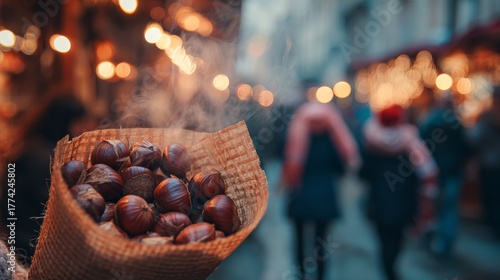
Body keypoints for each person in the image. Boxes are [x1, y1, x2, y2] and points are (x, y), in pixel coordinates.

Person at [1, 94, 90, 265]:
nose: (82, 129)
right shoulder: (43, 158)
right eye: (78, 123)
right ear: (63, 122)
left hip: (19, 238)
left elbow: (8, 206)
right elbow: (49, 206)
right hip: (33, 246)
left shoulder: (29, 147)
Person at [281, 101, 359, 280]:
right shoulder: (332, 136)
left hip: (299, 193)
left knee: (299, 239)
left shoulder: (294, 132)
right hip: (325, 196)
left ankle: (300, 274)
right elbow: (341, 167)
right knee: (321, 242)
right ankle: (321, 276)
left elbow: (283, 156)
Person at [360, 104, 438, 280]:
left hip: (378, 201)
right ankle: (392, 270)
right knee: (397, 240)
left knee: (384, 241)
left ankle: (388, 271)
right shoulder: (411, 143)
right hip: (404, 201)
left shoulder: (371, 142)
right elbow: (427, 171)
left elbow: (363, 173)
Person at [418, 89, 470, 258]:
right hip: (452, 173)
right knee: (449, 209)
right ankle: (445, 242)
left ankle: (431, 236)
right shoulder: (457, 123)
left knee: (432, 206)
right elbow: (466, 148)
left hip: (434, 173)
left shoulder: (429, 122)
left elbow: (422, 146)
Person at [468, 85, 500, 238]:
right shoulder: (489, 116)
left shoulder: (488, 116)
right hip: (491, 163)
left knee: (491, 197)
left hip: (490, 164)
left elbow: (475, 138)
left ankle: (494, 226)